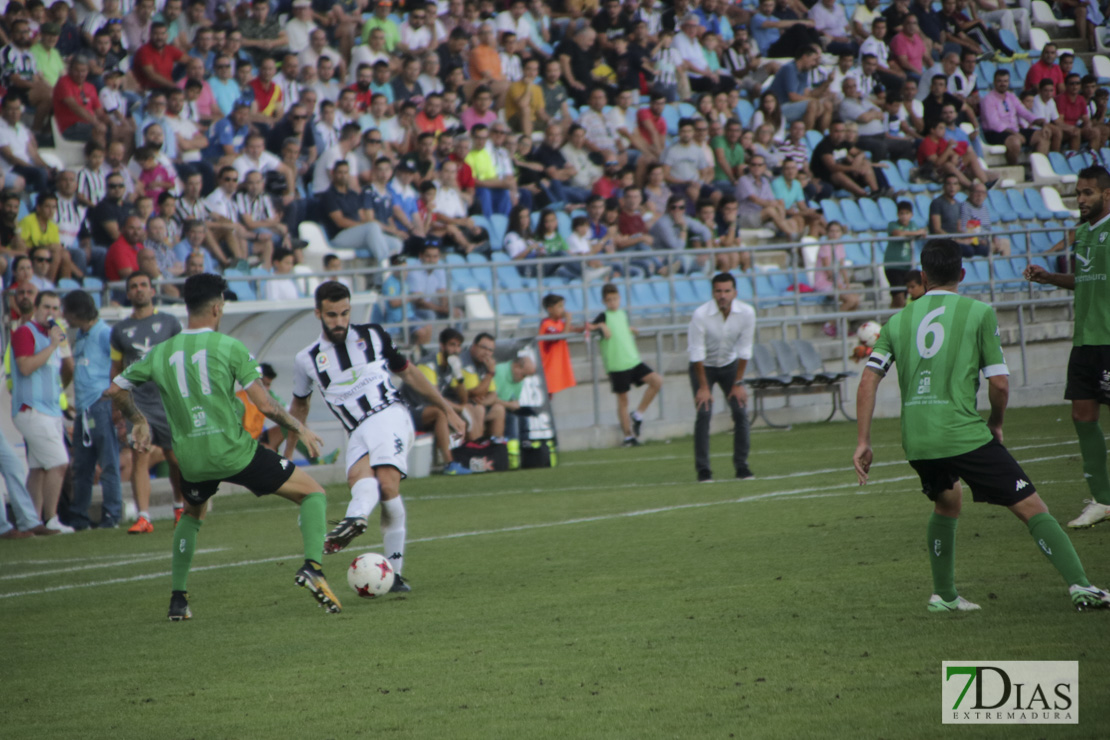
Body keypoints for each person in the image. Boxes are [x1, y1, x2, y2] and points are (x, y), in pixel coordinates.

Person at [854, 238, 1110, 612]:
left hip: (918, 439)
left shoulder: (897, 320)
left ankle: (943, 596)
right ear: (961, 273)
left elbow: (868, 379)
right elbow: (1000, 382)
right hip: (961, 432)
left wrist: (863, 440)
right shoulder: (978, 313)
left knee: (947, 502)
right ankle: (1082, 587)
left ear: (923, 276)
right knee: (1033, 507)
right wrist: (996, 423)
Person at [108, 273, 340, 620]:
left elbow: (115, 389)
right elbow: (265, 405)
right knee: (313, 494)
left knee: (192, 515)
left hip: (192, 461)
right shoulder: (230, 347)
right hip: (235, 454)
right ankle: (313, 568)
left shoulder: (160, 352)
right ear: (217, 307)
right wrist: (299, 427)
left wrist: (138, 420)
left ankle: (178, 600)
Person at [286, 281, 466, 589]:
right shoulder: (307, 359)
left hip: (388, 414)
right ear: (318, 313)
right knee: (363, 483)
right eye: (332, 315)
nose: (340, 321)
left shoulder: (373, 335)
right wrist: (289, 453)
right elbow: (299, 407)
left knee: (384, 482)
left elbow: (408, 372)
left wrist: (446, 407)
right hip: (355, 430)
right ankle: (393, 576)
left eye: (344, 313)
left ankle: (355, 520)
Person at [1024, 165, 1110, 529]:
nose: (1081, 199)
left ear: (1107, 194)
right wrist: (1049, 277)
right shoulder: (1082, 233)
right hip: (1084, 340)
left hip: (1108, 338)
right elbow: (1083, 280)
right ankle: (1103, 500)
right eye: (1078, 193)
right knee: (1082, 416)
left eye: (1088, 193)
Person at [109, 272, 184, 533]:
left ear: (152, 290)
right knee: (139, 455)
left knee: (176, 459)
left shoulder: (170, 323)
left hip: (168, 401)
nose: (139, 290)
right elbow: (116, 369)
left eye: (143, 285)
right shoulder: (119, 331)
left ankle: (179, 507)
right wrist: (117, 405)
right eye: (133, 287)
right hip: (138, 402)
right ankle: (144, 517)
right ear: (128, 293)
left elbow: (180, 361)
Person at [10, 290, 74, 533]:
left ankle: (31, 520)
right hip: (31, 409)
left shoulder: (54, 336)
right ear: (36, 308)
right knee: (59, 463)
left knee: (38, 468)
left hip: (50, 411)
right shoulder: (26, 332)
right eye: (47, 307)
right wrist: (52, 345)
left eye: (55, 308)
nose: (51, 312)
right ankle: (51, 518)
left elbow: (62, 371)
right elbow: (25, 367)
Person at [687, 272, 755, 483]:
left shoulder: (747, 313)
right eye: (718, 291)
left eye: (727, 291)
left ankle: (742, 466)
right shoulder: (700, 315)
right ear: (713, 292)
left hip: (730, 366)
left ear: (735, 292)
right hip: (703, 367)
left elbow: (745, 350)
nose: (723, 295)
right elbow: (696, 353)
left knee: (740, 412)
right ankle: (703, 470)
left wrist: (738, 383)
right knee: (704, 413)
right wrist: (703, 387)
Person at [62, 289, 122, 530]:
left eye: (67, 311)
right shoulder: (81, 336)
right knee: (82, 466)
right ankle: (79, 516)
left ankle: (112, 515)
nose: (64, 316)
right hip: (83, 411)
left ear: (77, 312)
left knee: (108, 463)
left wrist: (114, 399)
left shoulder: (104, 333)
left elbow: (119, 366)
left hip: (101, 405)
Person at [588, 283, 663, 446]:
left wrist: (629, 329)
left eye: (615, 299)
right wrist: (600, 326)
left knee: (657, 381)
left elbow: (619, 328)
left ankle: (637, 415)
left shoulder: (622, 314)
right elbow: (589, 326)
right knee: (623, 400)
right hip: (617, 365)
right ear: (604, 301)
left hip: (633, 361)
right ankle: (628, 436)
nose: (613, 302)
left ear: (619, 298)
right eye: (609, 300)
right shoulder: (603, 316)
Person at [886, 200, 927, 309]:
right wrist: (917, 233)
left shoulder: (913, 225)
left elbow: (923, 232)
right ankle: (891, 320)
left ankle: (890, 320)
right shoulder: (893, 224)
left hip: (907, 265)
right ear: (898, 215)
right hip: (893, 266)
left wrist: (920, 232)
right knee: (898, 296)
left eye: (907, 213)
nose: (904, 217)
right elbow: (898, 233)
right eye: (902, 214)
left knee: (904, 296)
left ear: (911, 215)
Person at [538, 293, 577, 396]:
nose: (563, 309)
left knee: (549, 397)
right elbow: (562, 336)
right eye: (560, 306)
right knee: (545, 397)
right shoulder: (546, 324)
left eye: (563, 306)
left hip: (554, 369)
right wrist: (568, 319)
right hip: (546, 369)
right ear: (550, 309)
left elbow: (574, 330)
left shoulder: (559, 322)